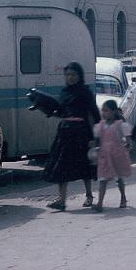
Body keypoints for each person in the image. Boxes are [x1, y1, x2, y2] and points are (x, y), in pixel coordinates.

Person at [42, 62, 100, 210]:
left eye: (73, 74)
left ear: (80, 75)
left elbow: (94, 113)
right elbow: (60, 112)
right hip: (65, 132)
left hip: (81, 132)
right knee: (61, 165)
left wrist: (94, 136)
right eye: (68, 75)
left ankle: (89, 196)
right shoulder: (64, 92)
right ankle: (61, 200)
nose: (70, 77)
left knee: (84, 165)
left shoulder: (86, 92)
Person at [92, 100, 132, 212]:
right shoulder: (101, 126)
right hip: (104, 156)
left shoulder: (120, 125)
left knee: (119, 178)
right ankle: (100, 203)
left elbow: (128, 141)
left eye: (106, 110)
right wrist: (96, 148)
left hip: (117, 156)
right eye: (102, 110)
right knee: (102, 179)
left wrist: (127, 145)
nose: (104, 113)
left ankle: (123, 197)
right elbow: (97, 140)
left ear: (113, 112)